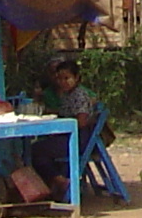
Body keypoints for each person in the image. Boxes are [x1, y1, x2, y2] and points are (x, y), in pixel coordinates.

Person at [30, 56, 105, 203]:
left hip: (78, 139)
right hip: (69, 137)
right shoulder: (67, 95)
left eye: (67, 78)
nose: (62, 82)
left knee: (35, 151)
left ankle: (59, 181)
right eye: (59, 78)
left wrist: (62, 124)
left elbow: (81, 121)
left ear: (76, 78)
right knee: (39, 148)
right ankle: (58, 180)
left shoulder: (80, 95)